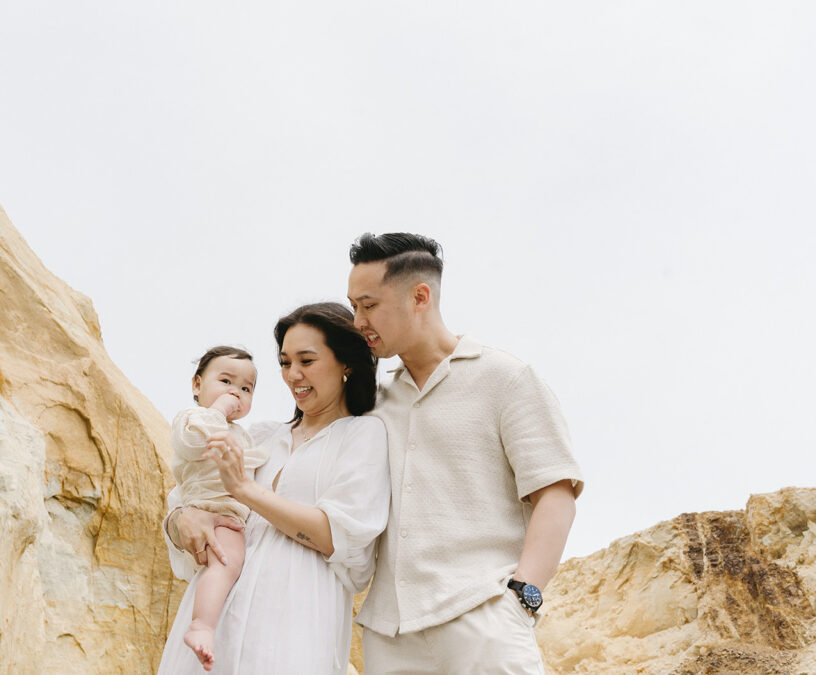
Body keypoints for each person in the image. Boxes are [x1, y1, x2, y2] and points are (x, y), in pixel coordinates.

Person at [346, 233, 584, 674]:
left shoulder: (506, 378)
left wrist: (521, 600)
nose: (358, 321)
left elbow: (555, 495)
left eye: (369, 305)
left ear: (420, 296)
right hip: (388, 636)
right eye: (353, 306)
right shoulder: (372, 402)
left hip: (483, 619)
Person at [157, 302, 391, 675]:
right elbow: (188, 494)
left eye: (306, 360)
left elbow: (339, 537)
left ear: (346, 363)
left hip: (296, 620)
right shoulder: (262, 436)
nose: (292, 375)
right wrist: (180, 519)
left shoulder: (365, 435)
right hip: (216, 622)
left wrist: (247, 490)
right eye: (285, 363)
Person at [169, 346, 270, 668]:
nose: (234, 392)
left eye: (245, 388)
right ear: (197, 385)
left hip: (228, 511)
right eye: (225, 381)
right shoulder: (193, 419)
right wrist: (218, 412)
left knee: (228, 563)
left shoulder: (241, 433)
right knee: (228, 562)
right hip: (211, 507)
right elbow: (195, 444)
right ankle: (202, 625)